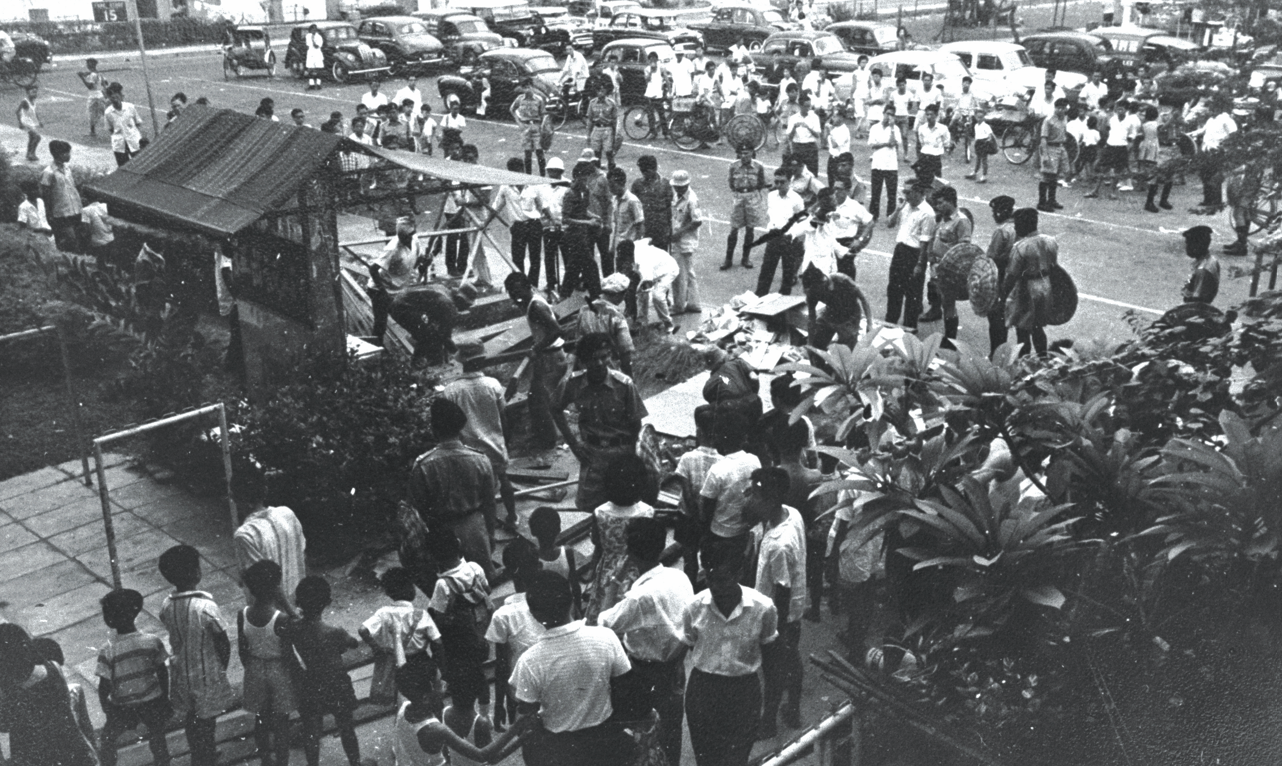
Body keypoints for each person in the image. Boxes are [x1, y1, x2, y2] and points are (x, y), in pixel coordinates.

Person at [599, 517, 696, 766]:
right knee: (671, 732)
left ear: (630, 553)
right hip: (675, 668)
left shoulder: (640, 597)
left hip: (644, 673)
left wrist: (614, 582)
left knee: (641, 737)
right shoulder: (679, 577)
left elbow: (604, 623)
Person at [512, 571, 634, 766]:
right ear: (571, 601)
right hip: (606, 741)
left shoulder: (529, 661)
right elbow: (625, 686)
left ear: (534, 615)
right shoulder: (606, 637)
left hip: (561, 750)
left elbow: (527, 712)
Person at [682, 544, 779, 766]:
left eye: (723, 579)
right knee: (706, 760)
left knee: (736, 760)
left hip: (744, 694)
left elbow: (771, 655)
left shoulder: (763, 608)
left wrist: (769, 711)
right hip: (703, 692)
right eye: (710, 579)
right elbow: (692, 645)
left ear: (739, 574)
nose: (716, 587)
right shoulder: (693, 608)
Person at [555, 332, 648, 514]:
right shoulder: (572, 383)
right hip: (592, 455)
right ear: (582, 361)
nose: (598, 363)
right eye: (592, 358)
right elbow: (555, 409)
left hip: (621, 454)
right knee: (588, 507)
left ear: (610, 356)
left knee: (624, 508)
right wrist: (574, 445)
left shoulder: (624, 385)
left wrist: (633, 458)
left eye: (604, 357)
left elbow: (636, 424)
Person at [744, 468, 807, 738]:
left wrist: (774, 632)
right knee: (792, 660)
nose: (749, 500)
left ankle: (768, 721)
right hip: (793, 611)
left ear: (769, 501)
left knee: (774, 670)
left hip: (780, 615)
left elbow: (782, 589)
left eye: (755, 496)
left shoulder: (779, 545)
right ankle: (792, 709)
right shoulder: (791, 513)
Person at [159, 545, 234, 766]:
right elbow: (222, 640)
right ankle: (207, 755)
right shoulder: (206, 606)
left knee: (191, 718)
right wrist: (222, 665)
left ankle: (197, 754)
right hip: (206, 673)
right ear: (195, 573)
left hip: (182, 672)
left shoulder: (167, 605)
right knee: (207, 720)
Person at [410, 399, 498, 580]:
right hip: (475, 529)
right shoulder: (480, 459)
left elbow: (418, 508)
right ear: (461, 427)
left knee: (451, 587)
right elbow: (490, 503)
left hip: (441, 533)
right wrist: (490, 533)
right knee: (481, 582)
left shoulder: (423, 465)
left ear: (434, 428)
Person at [0, 624, 100, 766]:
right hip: (71, 750)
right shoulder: (54, 668)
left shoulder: (7, 692)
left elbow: (4, 726)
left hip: (33, 758)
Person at [289, 577, 362, 766]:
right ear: (327, 602)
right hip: (336, 682)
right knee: (346, 726)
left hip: (311, 681)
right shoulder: (334, 631)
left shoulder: (295, 628)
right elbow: (352, 643)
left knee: (312, 730)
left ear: (298, 602)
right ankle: (355, 762)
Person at [445, 342, 518, 530]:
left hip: (469, 450)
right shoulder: (493, 385)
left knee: (477, 490)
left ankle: (486, 526)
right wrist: (506, 443)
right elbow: (504, 417)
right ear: (482, 360)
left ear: (462, 361)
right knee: (503, 480)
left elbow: (451, 425)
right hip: (494, 445)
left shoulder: (451, 391)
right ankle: (512, 516)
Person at [393, 663, 526, 766]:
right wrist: (516, 728)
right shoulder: (435, 729)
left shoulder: (404, 707)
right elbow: (482, 755)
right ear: (425, 697)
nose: (445, 683)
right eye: (439, 682)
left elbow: (403, 669)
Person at [428, 530, 495, 729]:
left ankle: (463, 715)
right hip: (479, 632)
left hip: (457, 641)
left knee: (459, 677)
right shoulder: (474, 568)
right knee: (479, 673)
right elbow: (488, 590)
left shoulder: (443, 584)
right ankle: (485, 715)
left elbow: (438, 616)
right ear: (458, 545)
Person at [97, 589, 171, 766]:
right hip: (151, 700)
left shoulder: (107, 651)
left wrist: (108, 709)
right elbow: (162, 672)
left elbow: (104, 685)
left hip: (123, 705)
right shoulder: (152, 641)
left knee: (107, 741)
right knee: (157, 736)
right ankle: (163, 763)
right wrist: (164, 696)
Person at [238, 561, 297, 766]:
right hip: (278, 669)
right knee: (281, 722)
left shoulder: (243, 614)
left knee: (261, 717)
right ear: (276, 587)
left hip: (254, 667)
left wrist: (253, 667)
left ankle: (265, 759)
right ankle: (282, 762)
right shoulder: (281, 618)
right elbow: (288, 653)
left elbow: (242, 650)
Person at [585, 453, 656, 623]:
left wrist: (592, 570)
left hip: (609, 571)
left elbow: (597, 543)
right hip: (636, 570)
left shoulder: (600, 512)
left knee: (605, 612)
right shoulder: (647, 512)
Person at [504, 272, 568, 455]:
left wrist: (537, 347)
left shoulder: (535, 307)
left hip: (550, 358)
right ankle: (546, 437)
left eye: (518, 291)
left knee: (541, 401)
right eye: (511, 292)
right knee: (537, 398)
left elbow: (556, 330)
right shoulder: (536, 301)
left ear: (528, 287)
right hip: (550, 356)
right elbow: (553, 317)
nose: (516, 296)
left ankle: (548, 443)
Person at [488, 538, 547, 731]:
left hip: (523, 690)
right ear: (539, 566)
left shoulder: (504, 615)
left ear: (508, 573)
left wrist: (499, 705)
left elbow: (502, 665)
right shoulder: (554, 598)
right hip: (553, 685)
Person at [359, 567, 441, 706]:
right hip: (420, 661)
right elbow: (437, 642)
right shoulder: (421, 615)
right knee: (430, 699)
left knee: (403, 702)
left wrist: (376, 648)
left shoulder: (383, 613)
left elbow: (362, 630)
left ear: (388, 592)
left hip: (396, 664)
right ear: (411, 589)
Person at [233, 463, 306, 611]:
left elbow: (267, 582)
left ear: (235, 497)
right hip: (298, 599)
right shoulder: (287, 514)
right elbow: (302, 554)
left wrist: (290, 613)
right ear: (264, 491)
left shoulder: (245, 535)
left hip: (272, 613)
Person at [699, 412, 760, 570]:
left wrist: (704, 536)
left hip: (720, 532)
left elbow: (706, 508)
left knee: (717, 569)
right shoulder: (754, 460)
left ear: (721, 439)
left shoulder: (718, 470)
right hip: (744, 529)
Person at [916, 186, 972, 342]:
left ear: (950, 202)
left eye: (941, 203)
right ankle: (935, 311)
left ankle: (950, 339)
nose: (938, 206)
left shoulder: (961, 221)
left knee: (949, 304)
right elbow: (936, 237)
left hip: (949, 269)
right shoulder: (942, 218)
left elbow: (964, 248)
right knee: (935, 291)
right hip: (937, 265)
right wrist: (930, 256)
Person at [1003, 207, 1057, 357]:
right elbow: (1054, 266)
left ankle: (1024, 362)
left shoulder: (1021, 247)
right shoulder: (1051, 241)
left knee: (1023, 329)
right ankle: (1042, 357)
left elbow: (1012, 275)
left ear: (1023, 225)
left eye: (1017, 224)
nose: (1014, 227)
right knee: (1038, 327)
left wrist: (1002, 294)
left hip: (1027, 288)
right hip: (1046, 285)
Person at [885, 181, 935, 332]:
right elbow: (889, 224)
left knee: (913, 293)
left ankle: (909, 327)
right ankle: (890, 323)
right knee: (894, 289)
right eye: (904, 192)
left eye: (908, 193)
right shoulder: (905, 207)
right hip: (900, 250)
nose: (905, 196)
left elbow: (925, 241)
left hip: (914, 254)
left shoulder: (927, 213)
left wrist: (920, 264)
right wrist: (897, 210)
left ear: (919, 193)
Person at [755, 167, 806, 296]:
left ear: (790, 181)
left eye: (782, 182)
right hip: (773, 237)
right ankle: (759, 298)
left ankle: (783, 304)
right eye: (776, 182)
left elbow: (802, 221)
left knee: (787, 275)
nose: (778, 185)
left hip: (788, 240)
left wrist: (796, 239)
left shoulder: (796, 199)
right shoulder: (771, 196)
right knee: (766, 271)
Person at [577, 272, 635, 376]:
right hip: (609, 367)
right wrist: (630, 377)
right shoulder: (616, 316)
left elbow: (579, 340)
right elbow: (625, 351)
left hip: (588, 367)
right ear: (618, 294)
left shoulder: (584, 310)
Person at [528, 506, 583, 612]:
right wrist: (578, 609)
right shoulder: (567, 552)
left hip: (544, 610)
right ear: (558, 529)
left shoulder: (532, 555)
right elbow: (575, 584)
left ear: (533, 531)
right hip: (566, 607)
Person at [561, 160, 604, 299]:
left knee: (573, 268)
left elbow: (583, 210)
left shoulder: (584, 191)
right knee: (591, 266)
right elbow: (566, 219)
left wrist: (594, 217)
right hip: (573, 236)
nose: (585, 182)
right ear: (576, 178)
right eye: (583, 179)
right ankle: (596, 296)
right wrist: (588, 222)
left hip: (583, 235)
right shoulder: (570, 194)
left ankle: (564, 296)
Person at [724, 144, 768, 271]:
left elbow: (761, 182)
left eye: (747, 153)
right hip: (738, 197)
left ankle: (745, 257)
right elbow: (731, 184)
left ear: (752, 153)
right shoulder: (733, 166)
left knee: (750, 229)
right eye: (742, 153)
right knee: (734, 229)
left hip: (752, 197)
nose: (744, 156)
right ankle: (728, 258)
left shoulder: (759, 166)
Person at [984, 195, 1018, 356]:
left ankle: (995, 353)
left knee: (996, 317)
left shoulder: (1002, 231)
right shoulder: (1019, 227)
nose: (993, 215)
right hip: (1016, 275)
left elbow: (992, 255)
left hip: (1001, 274)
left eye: (994, 211)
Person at [802, 265, 864, 350]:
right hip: (831, 313)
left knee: (845, 350)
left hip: (851, 315)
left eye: (815, 289)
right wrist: (810, 342)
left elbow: (863, 299)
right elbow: (811, 319)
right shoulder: (812, 291)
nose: (813, 292)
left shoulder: (842, 279)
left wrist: (870, 324)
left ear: (822, 282)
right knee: (817, 344)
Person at [1086, 100, 1136, 201]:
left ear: (1126, 110)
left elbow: (1132, 134)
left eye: (1122, 109)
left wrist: (1129, 141)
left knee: (1118, 171)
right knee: (1103, 169)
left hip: (1121, 148)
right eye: (1118, 109)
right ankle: (1095, 191)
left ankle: (1112, 192)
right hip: (1110, 146)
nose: (1119, 111)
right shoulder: (1112, 119)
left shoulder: (1130, 121)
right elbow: (1108, 130)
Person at [671, 169, 704, 314]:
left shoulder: (691, 199)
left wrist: (680, 232)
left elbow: (697, 221)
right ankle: (693, 303)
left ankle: (678, 306)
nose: (678, 189)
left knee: (680, 275)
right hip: (680, 239)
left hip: (684, 241)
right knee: (689, 273)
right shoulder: (676, 195)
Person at [628, 238, 679, 333]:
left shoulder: (642, 263)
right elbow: (648, 239)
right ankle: (641, 320)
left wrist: (638, 290)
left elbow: (647, 286)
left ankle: (668, 322)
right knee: (641, 294)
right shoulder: (635, 244)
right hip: (656, 268)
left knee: (657, 296)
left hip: (669, 270)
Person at [702, 344, 763, 423]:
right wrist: (753, 393)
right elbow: (754, 377)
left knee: (701, 412)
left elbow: (708, 396)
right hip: (754, 404)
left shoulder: (711, 381)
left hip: (733, 413)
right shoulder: (738, 362)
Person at [829, 177, 874, 279]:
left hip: (845, 243)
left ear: (847, 191)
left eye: (839, 189)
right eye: (834, 188)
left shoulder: (854, 206)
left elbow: (870, 223)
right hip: (830, 242)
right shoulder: (829, 203)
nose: (836, 192)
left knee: (845, 276)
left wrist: (860, 240)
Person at [537, 156, 568, 291]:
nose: (553, 174)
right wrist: (551, 220)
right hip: (549, 225)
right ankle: (551, 282)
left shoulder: (567, 186)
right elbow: (543, 205)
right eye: (551, 171)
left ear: (561, 172)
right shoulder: (543, 186)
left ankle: (568, 282)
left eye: (556, 171)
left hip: (564, 226)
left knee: (567, 255)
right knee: (549, 256)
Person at [867, 103, 901, 220]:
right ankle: (873, 215)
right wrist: (886, 144)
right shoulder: (874, 128)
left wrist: (891, 128)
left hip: (891, 165)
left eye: (892, 115)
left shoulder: (895, 129)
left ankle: (890, 215)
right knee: (875, 192)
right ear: (883, 113)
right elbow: (872, 145)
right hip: (877, 164)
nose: (889, 117)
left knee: (892, 193)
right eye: (887, 114)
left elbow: (894, 143)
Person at [1037, 98, 1071, 212]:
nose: (1061, 110)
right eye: (1059, 108)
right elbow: (1043, 138)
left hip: (1060, 147)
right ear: (1055, 108)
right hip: (1050, 147)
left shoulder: (1065, 118)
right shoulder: (1049, 120)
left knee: (1055, 176)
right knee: (1047, 176)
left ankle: (1052, 200)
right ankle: (1042, 202)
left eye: (1063, 108)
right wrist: (1045, 155)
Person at [632, 155, 672, 250]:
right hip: (644, 229)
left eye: (646, 171)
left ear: (654, 169)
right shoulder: (637, 184)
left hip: (661, 230)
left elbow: (670, 208)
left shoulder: (665, 184)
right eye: (642, 171)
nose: (644, 174)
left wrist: (670, 229)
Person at [1139, 105, 1174, 213]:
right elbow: (1162, 131)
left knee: (1154, 177)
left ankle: (1151, 201)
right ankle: (1160, 201)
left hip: (1147, 150)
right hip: (1157, 150)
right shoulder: (1156, 125)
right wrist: (1172, 120)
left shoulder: (1144, 124)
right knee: (1165, 176)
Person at [609, 166, 645, 269]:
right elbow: (616, 226)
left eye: (612, 185)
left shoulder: (632, 201)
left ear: (621, 183)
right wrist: (612, 247)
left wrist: (637, 248)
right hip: (619, 247)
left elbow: (640, 225)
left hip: (630, 247)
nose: (611, 189)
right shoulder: (615, 200)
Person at [511, 79, 548, 175]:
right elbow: (512, 109)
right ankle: (528, 175)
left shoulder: (539, 99)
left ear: (532, 87)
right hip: (525, 127)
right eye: (525, 88)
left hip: (536, 126)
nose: (527, 90)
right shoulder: (519, 99)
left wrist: (542, 126)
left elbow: (544, 114)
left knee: (539, 152)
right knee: (527, 154)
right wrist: (518, 122)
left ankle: (542, 175)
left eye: (529, 87)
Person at [104, 84, 144, 166]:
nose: (115, 100)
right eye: (112, 97)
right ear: (109, 99)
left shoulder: (130, 107)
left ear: (120, 96)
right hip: (119, 146)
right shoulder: (108, 112)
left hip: (134, 142)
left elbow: (138, 123)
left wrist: (139, 138)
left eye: (116, 96)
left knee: (140, 164)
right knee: (123, 167)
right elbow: (111, 129)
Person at [913, 103, 951, 184]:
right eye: (927, 115)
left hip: (936, 158)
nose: (929, 117)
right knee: (922, 180)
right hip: (924, 157)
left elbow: (946, 142)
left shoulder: (943, 128)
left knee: (937, 181)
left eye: (931, 114)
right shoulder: (922, 128)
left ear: (936, 115)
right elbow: (922, 142)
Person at [1181, 225, 1220, 305]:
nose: (1186, 247)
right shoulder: (1211, 260)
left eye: (1189, 244)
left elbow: (1197, 301)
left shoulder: (1202, 270)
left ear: (1197, 246)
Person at [587, 79, 620, 170]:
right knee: (596, 152)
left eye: (602, 91)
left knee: (609, 151)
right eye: (598, 91)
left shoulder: (611, 103)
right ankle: (597, 170)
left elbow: (615, 120)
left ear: (606, 91)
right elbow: (590, 120)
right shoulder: (592, 103)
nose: (600, 93)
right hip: (597, 128)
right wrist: (588, 135)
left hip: (607, 129)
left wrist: (615, 134)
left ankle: (611, 168)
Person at [786, 94, 822, 176]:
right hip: (798, 147)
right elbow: (790, 137)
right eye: (806, 106)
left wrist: (808, 128)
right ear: (800, 106)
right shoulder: (793, 118)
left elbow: (817, 135)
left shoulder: (814, 117)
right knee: (797, 173)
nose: (808, 109)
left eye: (809, 106)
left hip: (810, 147)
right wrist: (794, 128)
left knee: (812, 173)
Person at [78, 58, 106, 136]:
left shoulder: (93, 74)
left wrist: (82, 78)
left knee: (91, 113)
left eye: (88, 63)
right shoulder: (98, 73)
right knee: (104, 112)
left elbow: (90, 86)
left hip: (94, 96)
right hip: (100, 95)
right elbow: (104, 83)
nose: (86, 64)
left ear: (91, 64)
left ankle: (92, 131)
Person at [967, 103, 994, 183]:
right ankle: (975, 172)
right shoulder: (976, 126)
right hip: (978, 143)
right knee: (978, 159)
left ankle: (984, 176)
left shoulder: (986, 126)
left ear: (984, 117)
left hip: (984, 143)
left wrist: (988, 139)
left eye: (981, 117)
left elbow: (990, 135)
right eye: (978, 117)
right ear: (975, 117)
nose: (980, 119)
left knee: (984, 160)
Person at [17, 85, 42, 162]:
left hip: (31, 122)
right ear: (28, 93)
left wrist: (38, 121)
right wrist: (20, 123)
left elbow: (34, 112)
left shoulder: (33, 101)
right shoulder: (25, 102)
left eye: (35, 92)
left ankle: (29, 154)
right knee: (37, 137)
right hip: (25, 122)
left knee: (32, 138)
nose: (35, 94)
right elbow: (17, 111)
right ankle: (31, 153)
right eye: (33, 92)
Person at [303, 23, 325, 89]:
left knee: (319, 69)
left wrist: (313, 40)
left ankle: (318, 84)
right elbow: (307, 45)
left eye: (314, 30)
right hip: (310, 54)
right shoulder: (308, 36)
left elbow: (316, 46)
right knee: (310, 69)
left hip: (317, 54)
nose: (313, 31)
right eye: (312, 30)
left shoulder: (319, 37)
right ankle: (311, 84)